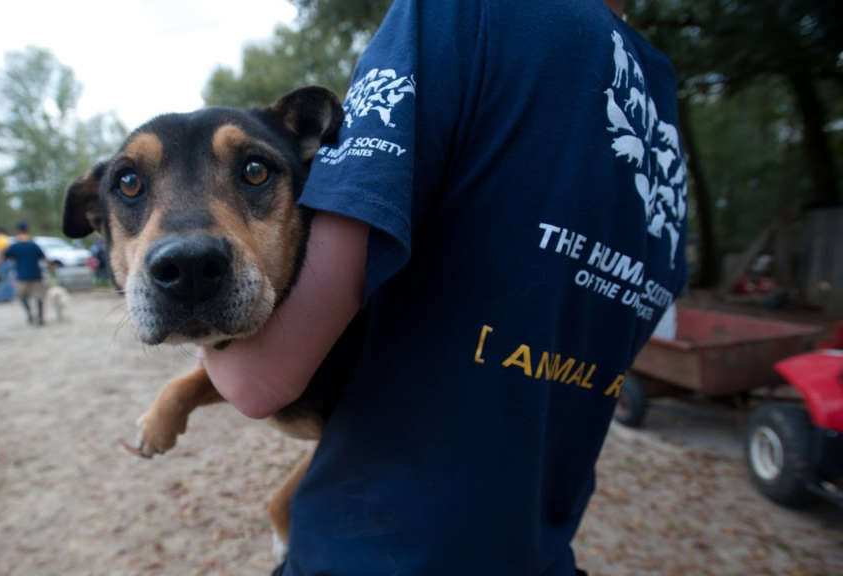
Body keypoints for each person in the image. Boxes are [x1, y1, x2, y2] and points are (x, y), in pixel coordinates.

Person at [200, 1, 688, 574]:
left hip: (372, 553)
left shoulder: (459, 13)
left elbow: (260, 381)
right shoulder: (661, 101)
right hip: (540, 557)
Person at [3, 222, 52, 325]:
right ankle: (40, 318)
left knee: (22, 296)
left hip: (22, 276)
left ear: (18, 231)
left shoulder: (15, 246)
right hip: (36, 275)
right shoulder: (34, 245)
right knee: (39, 297)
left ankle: (29, 313)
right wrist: (51, 269)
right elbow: (44, 258)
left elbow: (4, 256)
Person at [0, 227, 15, 303]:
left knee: (0, 280)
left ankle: (0, 297)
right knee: (8, 280)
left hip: (2, 262)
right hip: (9, 261)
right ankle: (9, 296)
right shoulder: (6, 238)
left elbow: (2, 251)